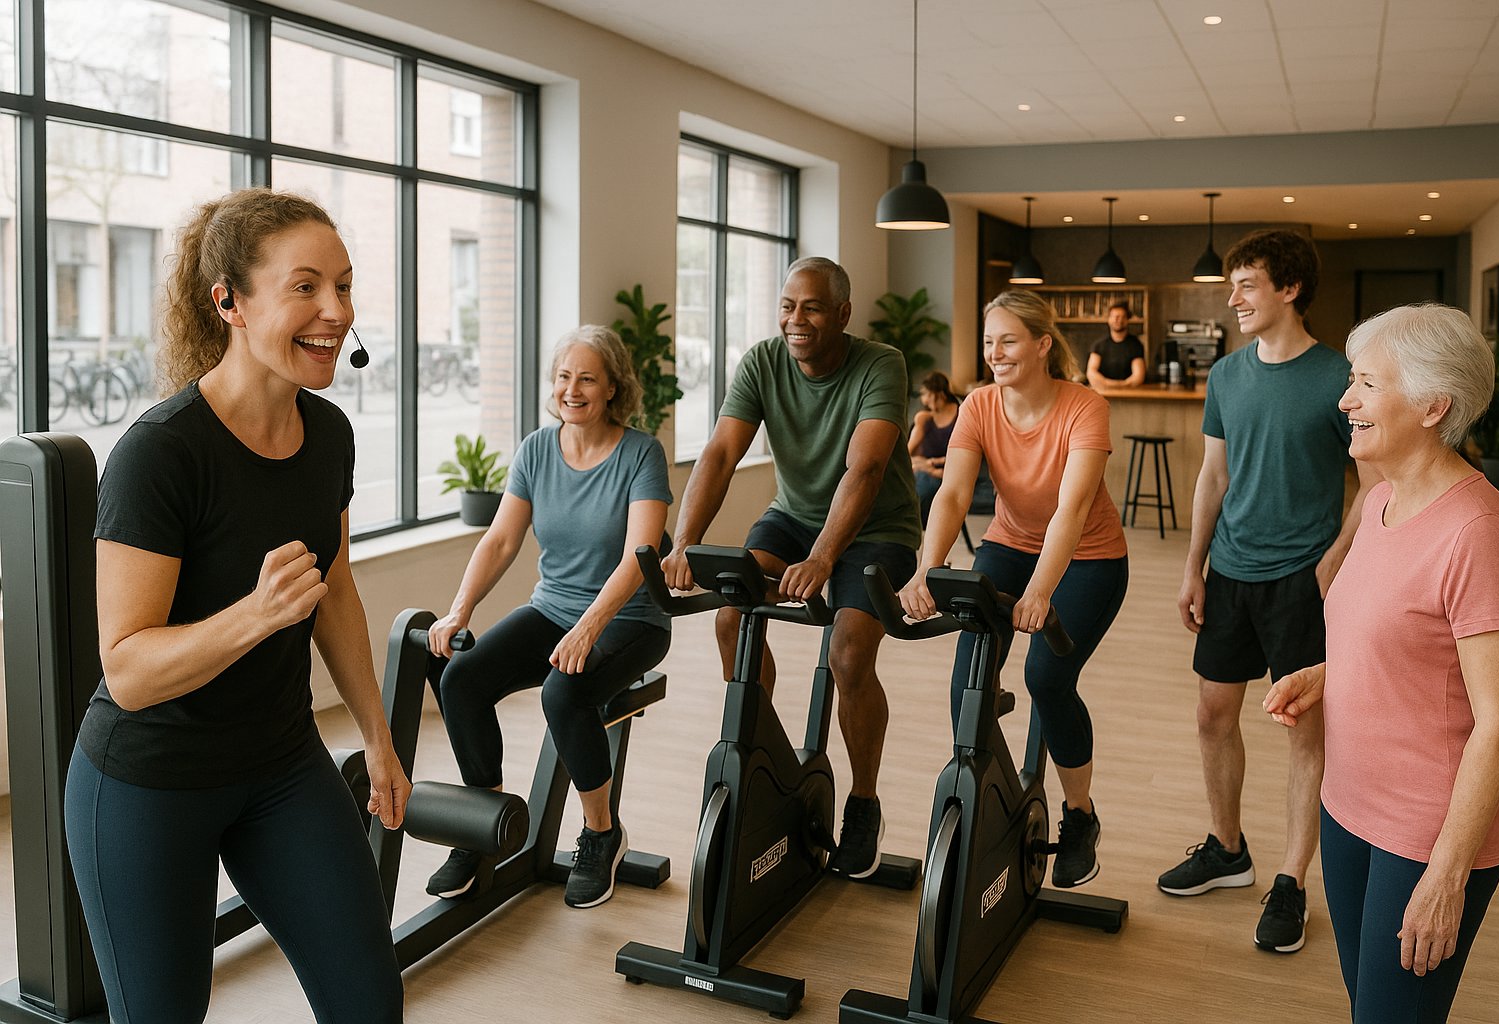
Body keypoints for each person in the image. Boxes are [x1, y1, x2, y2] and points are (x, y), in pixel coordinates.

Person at [63, 188, 408, 1024]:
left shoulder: (329, 436)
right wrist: (253, 616)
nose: (337, 310)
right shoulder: (161, 454)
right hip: (148, 782)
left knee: (368, 1001)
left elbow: (335, 595)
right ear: (230, 302)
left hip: (281, 764)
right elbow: (130, 671)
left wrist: (377, 735)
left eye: (345, 285)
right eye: (305, 287)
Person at [1265, 303, 1499, 1022]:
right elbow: (1399, 638)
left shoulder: (1478, 533)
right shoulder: (1381, 499)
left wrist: (1447, 875)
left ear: (1432, 404)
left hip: (1425, 832)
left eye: (1365, 384)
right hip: (1347, 809)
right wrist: (1330, 675)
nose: (1345, 400)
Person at [661, 255, 920, 878]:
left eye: (810, 307)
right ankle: (768, 761)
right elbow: (721, 452)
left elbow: (867, 469)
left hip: (878, 527)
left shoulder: (879, 363)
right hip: (793, 515)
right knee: (732, 615)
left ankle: (862, 803)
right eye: (786, 306)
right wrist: (682, 543)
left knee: (849, 653)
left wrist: (824, 558)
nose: (794, 320)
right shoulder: (762, 361)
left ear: (843, 314)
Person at [1159, 228, 1381, 954]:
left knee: (1303, 730)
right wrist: (1194, 566)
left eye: (1247, 284)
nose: (1234, 298)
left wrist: (1334, 561)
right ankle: (1228, 850)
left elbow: (1372, 482)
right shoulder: (1225, 376)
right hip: (1230, 570)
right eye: (1233, 285)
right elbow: (1212, 477)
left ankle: (1290, 879)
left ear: (1289, 288)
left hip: (1301, 580)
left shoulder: (1340, 376)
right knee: (1211, 714)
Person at [425, 325, 671, 909]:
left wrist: (589, 628)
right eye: (564, 376)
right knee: (461, 680)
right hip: (553, 606)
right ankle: (481, 829)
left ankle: (601, 835)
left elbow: (641, 556)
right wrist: (461, 610)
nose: (572, 389)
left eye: (587, 378)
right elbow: (501, 541)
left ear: (613, 387)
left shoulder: (641, 454)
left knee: (564, 695)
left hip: (631, 619)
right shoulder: (538, 449)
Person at [899, 289, 1128, 888]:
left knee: (1047, 678)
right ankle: (988, 793)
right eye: (987, 342)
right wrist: (929, 565)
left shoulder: (1084, 408)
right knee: (969, 675)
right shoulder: (978, 406)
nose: (995, 353)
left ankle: (1080, 816)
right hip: (1009, 542)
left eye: (1008, 340)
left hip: (1090, 556)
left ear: (1042, 344)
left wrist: (1041, 591)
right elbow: (951, 494)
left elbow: (1072, 510)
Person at [908, 369, 962, 524]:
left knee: (922, 484)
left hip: (951, 468)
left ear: (939, 393)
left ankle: (919, 524)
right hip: (927, 466)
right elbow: (908, 451)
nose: (924, 400)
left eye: (926, 394)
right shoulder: (924, 417)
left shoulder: (961, 413)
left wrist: (933, 464)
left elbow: (963, 454)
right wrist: (927, 465)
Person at [1086, 300, 1146, 389]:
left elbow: (1138, 376)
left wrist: (1121, 385)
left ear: (1127, 320)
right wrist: (1108, 384)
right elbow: (1091, 372)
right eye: (1116, 317)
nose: (1119, 320)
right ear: (1109, 319)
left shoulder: (1136, 345)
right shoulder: (1098, 345)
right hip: (1103, 393)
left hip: (1129, 395)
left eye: (1123, 317)